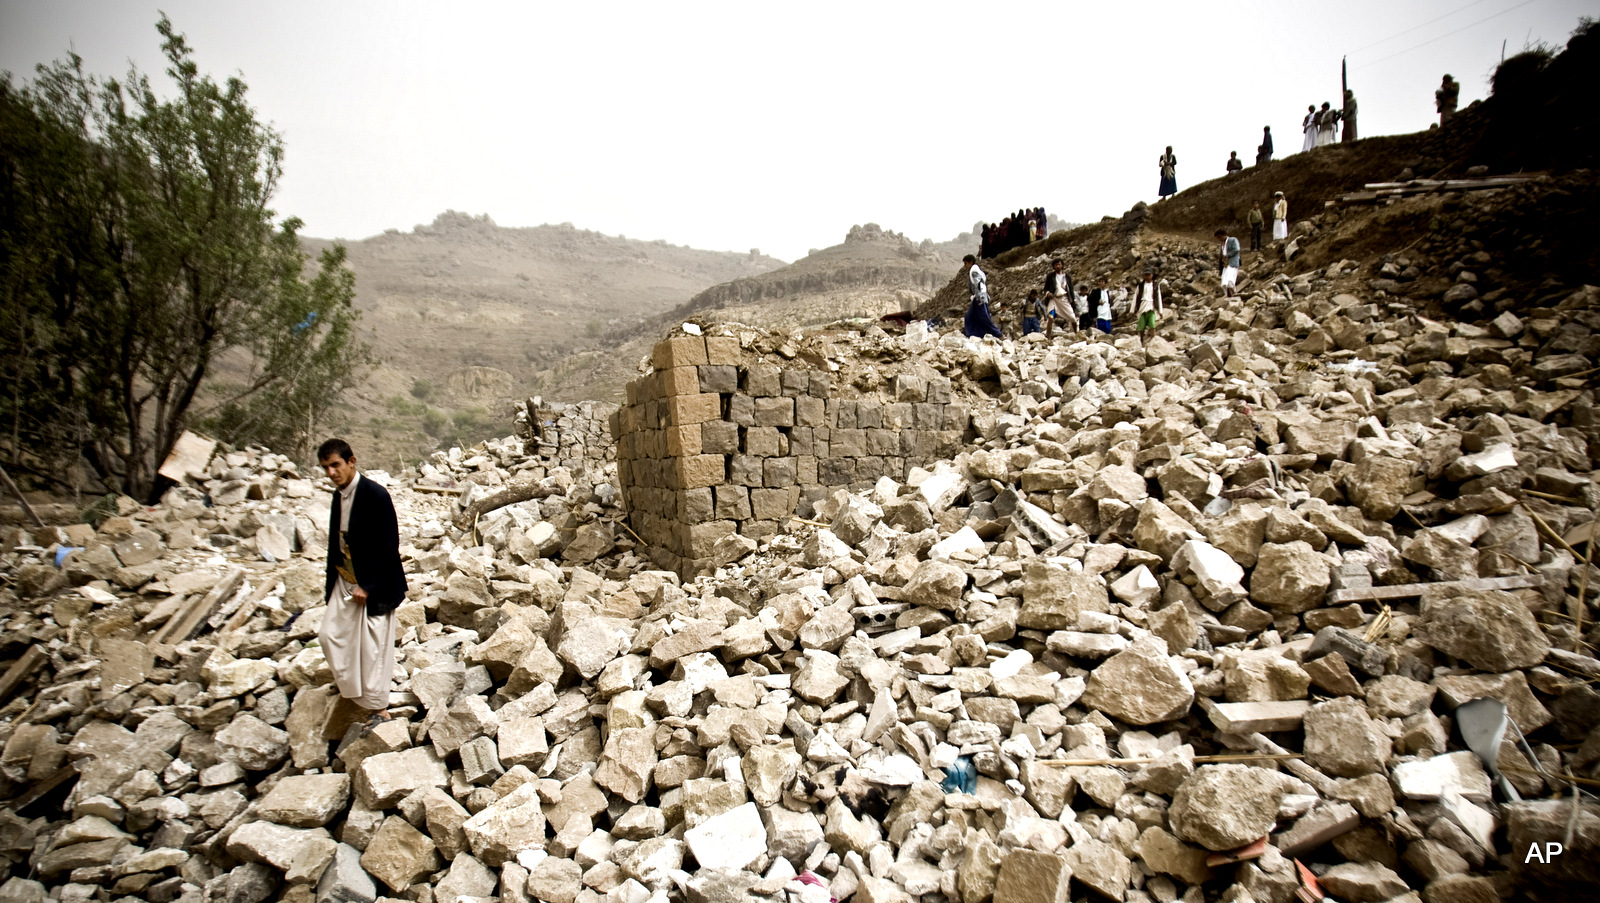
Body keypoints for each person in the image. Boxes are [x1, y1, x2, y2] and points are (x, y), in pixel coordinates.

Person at [317, 438, 408, 727]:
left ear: (351, 462)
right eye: (326, 468)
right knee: (330, 635)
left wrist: (367, 585)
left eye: (336, 465)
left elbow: (388, 544)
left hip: (375, 585)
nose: (331, 472)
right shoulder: (338, 496)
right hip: (345, 579)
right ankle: (351, 690)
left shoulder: (375, 494)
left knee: (373, 647)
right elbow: (337, 541)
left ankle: (378, 707)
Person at [961, 255, 1002, 339]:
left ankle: (998, 334)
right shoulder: (977, 270)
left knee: (984, 318)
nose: (965, 266)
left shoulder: (974, 271)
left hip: (979, 298)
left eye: (966, 264)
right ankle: (972, 335)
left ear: (971, 262)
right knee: (969, 316)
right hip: (978, 297)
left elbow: (978, 284)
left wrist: (980, 298)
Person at [1131, 272, 1164, 347]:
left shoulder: (1155, 285)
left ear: (1152, 275)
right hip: (1142, 306)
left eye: (1149, 275)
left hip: (1151, 306)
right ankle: (1141, 341)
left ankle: (1153, 341)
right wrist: (1132, 310)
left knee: (1152, 324)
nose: (1147, 276)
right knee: (1141, 326)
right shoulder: (1140, 286)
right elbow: (1135, 297)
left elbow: (1158, 298)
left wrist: (1160, 311)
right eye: (1145, 275)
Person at [1044, 259, 1073, 339]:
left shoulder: (1067, 277)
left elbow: (1071, 289)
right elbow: (1045, 288)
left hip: (1064, 298)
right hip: (1053, 299)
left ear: (1062, 265)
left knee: (1072, 317)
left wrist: (1073, 301)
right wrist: (1048, 293)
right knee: (1051, 317)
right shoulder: (1050, 276)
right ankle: (1048, 336)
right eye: (1056, 265)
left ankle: (1077, 333)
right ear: (1053, 267)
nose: (1057, 266)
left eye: (1059, 264)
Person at [1216, 228, 1241, 297]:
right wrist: (1220, 268)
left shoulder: (1233, 240)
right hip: (1225, 265)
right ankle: (1228, 295)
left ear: (1223, 235)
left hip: (1232, 263)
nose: (1219, 239)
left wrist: (1227, 255)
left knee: (1230, 280)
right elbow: (1221, 257)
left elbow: (1236, 249)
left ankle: (1233, 294)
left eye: (1219, 237)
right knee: (1224, 282)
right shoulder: (1222, 244)